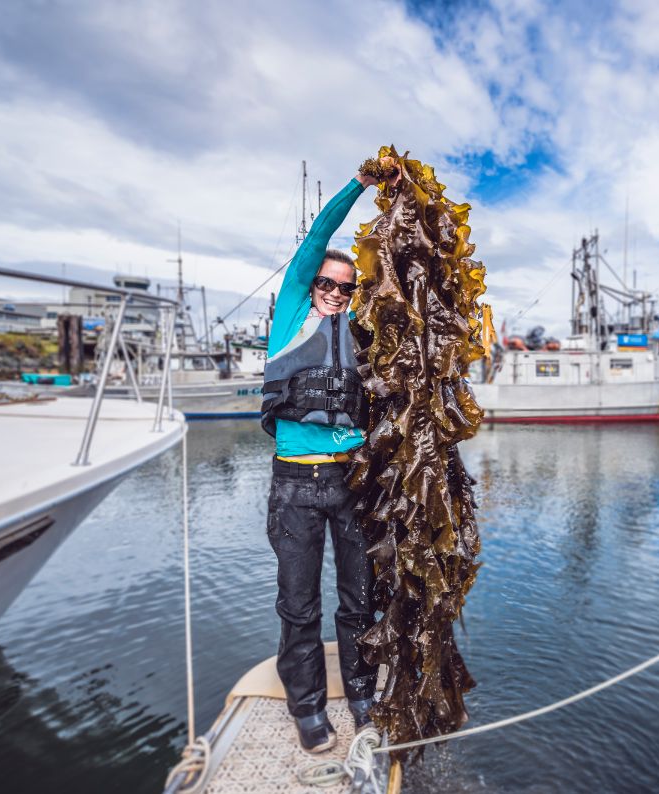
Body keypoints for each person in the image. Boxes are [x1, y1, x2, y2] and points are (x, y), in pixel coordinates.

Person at [260, 160, 398, 754]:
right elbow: (318, 237)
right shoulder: (293, 314)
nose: (338, 293)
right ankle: (309, 707)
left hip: (353, 483)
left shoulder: (360, 329)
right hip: (295, 486)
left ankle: (362, 695)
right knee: (299, 606)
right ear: (312, 284)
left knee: (359, 599)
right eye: (329, 284)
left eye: (347, 287)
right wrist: (361, 186)